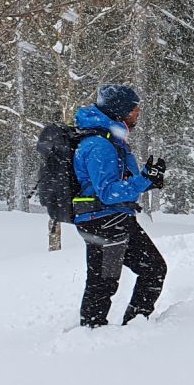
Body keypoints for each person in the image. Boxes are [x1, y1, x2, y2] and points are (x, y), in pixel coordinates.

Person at [72, 84, 167, 328]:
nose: (138, 113)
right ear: (119, 111)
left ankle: (132, 326)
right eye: (134, 109)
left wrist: (147, 179)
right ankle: (94, 333)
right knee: (105, 281)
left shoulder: (110, 140)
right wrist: (144, 180)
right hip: (104, 221)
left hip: (111, 218)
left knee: (150, 269)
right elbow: (108, 192)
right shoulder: (99, 145)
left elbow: (116, 186)